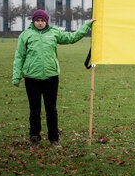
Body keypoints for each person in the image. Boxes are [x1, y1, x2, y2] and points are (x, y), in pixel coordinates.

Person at [12, 10, 95, 149]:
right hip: (32, 78)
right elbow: (19, 56)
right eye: (37, 20)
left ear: (46, 21)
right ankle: (34, 138)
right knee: (34, 110)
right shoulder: (25, 35)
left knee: (51, 110)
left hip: (51, 77)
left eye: (42, 20)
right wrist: (16, 77)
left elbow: (72, 37)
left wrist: (86, 26)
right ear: (33, 21)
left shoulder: (54, 33)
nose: (40, 23)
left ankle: (54, 139)